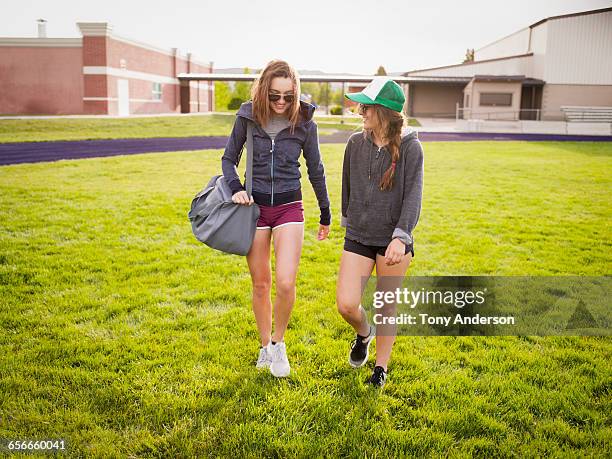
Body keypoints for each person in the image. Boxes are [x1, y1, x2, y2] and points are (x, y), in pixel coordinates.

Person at [221, 60, 331, 378]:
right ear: (263, 92)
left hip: (288, 206)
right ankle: (264, 346)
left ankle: (279, 342)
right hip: (254, 209)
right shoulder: (247, 115)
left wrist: (325, 212)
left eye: (288, 96)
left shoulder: (305, 121)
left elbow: (316, 169)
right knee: (260, 284)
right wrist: (236, 188)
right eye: (274, 96)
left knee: (284, 282)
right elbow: (229, 159)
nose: (281, 103)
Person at [336, 78, 424, 388]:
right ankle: (364, 332)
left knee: (387, 304)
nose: (360, 110)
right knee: (346, 304)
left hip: (393, 242)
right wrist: (351, 221)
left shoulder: (412, 147)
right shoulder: (355, 144)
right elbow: (347, 186)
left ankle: (380, 370)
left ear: (383, 112)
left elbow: (414, 195)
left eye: (366, 106)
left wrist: (401, 235)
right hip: (359, 234)